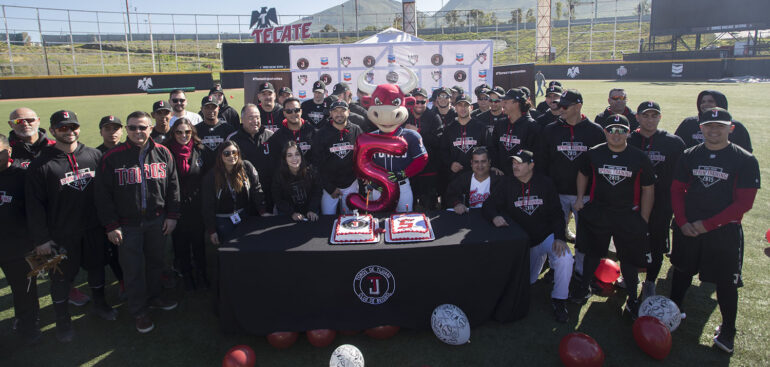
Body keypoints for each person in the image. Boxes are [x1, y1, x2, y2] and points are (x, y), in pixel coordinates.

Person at [669, 107, 760, 354]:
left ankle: (728, 329)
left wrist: (707, 225)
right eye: (709, 126)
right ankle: (673, 313)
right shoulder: (689, 155)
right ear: (701, 129)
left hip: (724, 232)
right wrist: (682, 220)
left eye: (720, 126)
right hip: (688, 228)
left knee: (726, 283)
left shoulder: (745, 160)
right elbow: (677, 190)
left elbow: (744, 203)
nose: (714, 131)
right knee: (681, 271)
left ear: (731, 128)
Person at [26, 110, 118, 342]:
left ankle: (100, 304)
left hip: (94, 228)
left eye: (72, 127)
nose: (69, 132)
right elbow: (34, 206)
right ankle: (63, 321)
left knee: (97, 268)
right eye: (63, 128)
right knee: (61, 279)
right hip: (61, 234)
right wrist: (42, 239)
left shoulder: (94, 155)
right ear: (54, 130)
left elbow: (107, 193)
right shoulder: (40, 164)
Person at [96, 110, 180, 334]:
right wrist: (111, 225)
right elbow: (102, 196)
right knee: (132, 269)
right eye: (132, 127)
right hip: (127, 225)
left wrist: (172, 216)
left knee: (155, 263)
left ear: (150, 128)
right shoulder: (112, 157)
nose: (137, 131)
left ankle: (154, 297)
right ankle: (139, 311)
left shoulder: (163, 153)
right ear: (126, 129)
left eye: (142, 127)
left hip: (157, 220)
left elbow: (173, 186)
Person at [570, 114, 655, 319]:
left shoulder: (639, 157)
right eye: (611, 130)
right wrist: (580, 198)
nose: (616, 134)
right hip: (599, 210)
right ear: (605, 132)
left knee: (628, 259)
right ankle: (584, 287)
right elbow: (582, 173)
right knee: (592, 253)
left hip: (627, 213)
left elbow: (648, 188)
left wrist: (643, 217)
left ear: (628, 132)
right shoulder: (594, 153)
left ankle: (633, 298)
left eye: (621, 130)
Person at [483, 149, 573, 323]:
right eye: (513, 163)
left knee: (565, 258)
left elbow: (556, 213)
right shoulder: (506, 183)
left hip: (544, 237)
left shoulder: (545, 183)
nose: (515, 166)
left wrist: (560, 237)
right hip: (522, 244)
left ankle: (559, 300)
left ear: (531, 165)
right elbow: (489, 205)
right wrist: (495, 216)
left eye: (520, 163)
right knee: (528, 281)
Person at [540, 89, 605, 277]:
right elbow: (544, 162)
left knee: (584, 236)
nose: (561, 109)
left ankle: (580, 270)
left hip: (583, 195)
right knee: (556, 233)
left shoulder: (595, 132)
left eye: (565, 106)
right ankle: (555, 267)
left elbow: (598, 166)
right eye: (560, 105)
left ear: (578, 106)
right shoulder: (551, 130)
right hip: (557, 192)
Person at [627, 101, 685, 300]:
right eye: (645, 115)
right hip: (631, 201)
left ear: (660, 117)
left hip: (662, 203)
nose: (650, 119)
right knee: (630, 240)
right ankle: (629, 276)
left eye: (654, 115)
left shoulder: (674, 142)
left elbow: (682, 176)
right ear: (637, 117)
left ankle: (650, 281)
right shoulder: (628, 139)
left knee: (656, 243)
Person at [0, 134, 42, 344]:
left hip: (18, 245)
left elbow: (36, 211)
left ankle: (29, 324)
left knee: (24, 289)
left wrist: (38, 240)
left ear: (8, 152)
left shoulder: (23, 175)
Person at [166, 118, 209, 290]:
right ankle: (187, 276)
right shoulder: (166, 152)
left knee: (198, 242)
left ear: (192, 132)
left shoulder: (200, 150)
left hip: (197, 206)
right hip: (176, 206)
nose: (184, 135)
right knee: (180, 244)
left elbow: (205, 176)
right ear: (173, 133)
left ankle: (202, 274)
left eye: (187, 132)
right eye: (179, 132)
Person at [202, 140, 265, 245]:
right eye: (227, 153)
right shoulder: (211, 177)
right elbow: (207, 205)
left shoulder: (246, 167)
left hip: (243, 215)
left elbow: (256, 189)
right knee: (228, 249)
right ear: (220, 156)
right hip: (223, 220)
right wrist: (212, 230)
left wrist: (262, 210)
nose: (231, 156)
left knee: (246, 247)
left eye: (234, 152)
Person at [311, 100, 362, 215]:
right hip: (329, 186)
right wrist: (329, 187)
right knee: (327, 218)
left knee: (350, 219)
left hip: (351, 184)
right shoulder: (321, 133)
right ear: (330, 113)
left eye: (342, 110)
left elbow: (363, 156)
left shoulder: (356, 130)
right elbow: (316, 164)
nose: (339, 114)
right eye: (335, 111)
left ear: (348, 112)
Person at [95, 115, 127, 298]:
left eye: (115, 128)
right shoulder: (94, 154)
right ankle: (122, 280)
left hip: (129, 209)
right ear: (101, 131)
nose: (112, 132)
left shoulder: (129, 150)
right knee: (113, 249)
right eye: (108, 128)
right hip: (109, 212)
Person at [227, 104, 276, 212]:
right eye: (251, 118)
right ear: (242, 119)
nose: (255, 121)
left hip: (268, 192)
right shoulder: (233, 139)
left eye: (257, 117)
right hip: (245, 193)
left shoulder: (270, 136)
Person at [674, 90, 752, 152]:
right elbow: (677, 147)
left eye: (710, 101)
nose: (706, 104)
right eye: (702, 102)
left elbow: (745, 151)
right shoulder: (689, 123)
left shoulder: (736, 126)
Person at [405, 88, 443, 211]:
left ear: (427, 102)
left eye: (422, 102)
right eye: (416, 101)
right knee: (408, 208)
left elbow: (438, 141)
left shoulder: (434, 117)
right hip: (409, 169)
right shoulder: (404, 116)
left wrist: (418, 132)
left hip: (428, 170)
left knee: (429, 208)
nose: (419, 105)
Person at [488, 88, 541, 176]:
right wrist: (494, 165)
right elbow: (493, 148)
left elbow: (537, 156)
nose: (502, 105)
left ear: (517, 103)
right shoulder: (500, 124)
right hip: (501, 176)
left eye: (506, 102)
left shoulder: (532, 126)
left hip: (523, 178)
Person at [441, 94, 489, 188]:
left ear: (471, 107)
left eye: (466, 105)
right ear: (455, 108)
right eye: (460, 105)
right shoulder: (449, 129)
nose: (463, 108)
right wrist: (450, 163)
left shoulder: (481, 127)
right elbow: (443, 150)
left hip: (477, 174)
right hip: (455, 174)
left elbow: (489, 148)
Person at [272, 141, 321, 221]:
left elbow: (317, 191)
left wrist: (312, 209)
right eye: (289, 155)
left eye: (297, 154)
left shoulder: (311, 171)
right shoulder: (279, 175)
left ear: (301, 156)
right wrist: (292, 213)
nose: (294, 158)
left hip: (310, 212)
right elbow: (277, 198)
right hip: (287, 214)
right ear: (285, 158)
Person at [445, 147, 501, 214]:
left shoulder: (499, 180)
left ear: (489, 162)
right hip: (469, 218)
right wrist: (457, 204)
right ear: (471, 163)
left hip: (492, 217)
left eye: (483, 161)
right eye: (476, 162)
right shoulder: (463, 179)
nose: (480, 165)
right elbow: (451, 194)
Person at [270, 97, 316, 162]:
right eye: (289, 111)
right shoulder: (277, 137)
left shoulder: (313, 132)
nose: (293, 113)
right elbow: (276, 161)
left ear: (301, 111)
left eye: (296, 110)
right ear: (284, 113)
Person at [197, 95, 236, 165]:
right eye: (207, 107)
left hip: (224, 170)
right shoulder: (196, 130)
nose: (210, 110)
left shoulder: (228, 129)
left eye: (213, 107)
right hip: (203, 171)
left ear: (218, 108)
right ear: (201, 109)